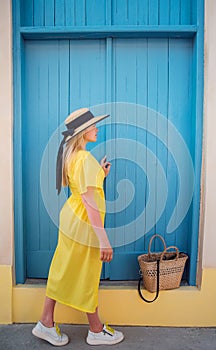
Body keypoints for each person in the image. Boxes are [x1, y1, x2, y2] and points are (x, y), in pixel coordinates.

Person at [32, 108, 124, 346]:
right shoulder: (83, 158)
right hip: (83, 223)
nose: (97, 129)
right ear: (82, 132)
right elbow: (89, 202)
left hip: (72, 220)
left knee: (64, 268)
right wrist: (104, 239)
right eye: (93, 126)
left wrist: (100, 174)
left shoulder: (75, 156)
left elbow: (82, 188)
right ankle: (94, 329)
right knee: (86, 273)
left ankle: (46, 322)